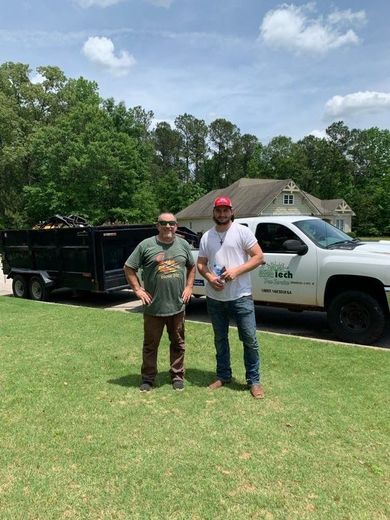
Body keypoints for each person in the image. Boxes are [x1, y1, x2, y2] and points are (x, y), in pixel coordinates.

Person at [197, 196, 265, 399]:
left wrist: (236, 271)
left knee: (249, 339)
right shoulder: (206, 237)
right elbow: (201, 264)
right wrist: (209, 277)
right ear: (214, 213)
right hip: (215, 298)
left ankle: (254, 381)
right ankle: (223, 375)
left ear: (231, 212)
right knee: (220, 339)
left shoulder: (242, 232)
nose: (222, 214)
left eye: (225, 210)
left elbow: (259, 257)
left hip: (241, 296)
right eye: (218, 210)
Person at [124, 213, 196, 392]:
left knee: (178, 343)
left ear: (176, 226)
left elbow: (192, 266)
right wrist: (138, 289)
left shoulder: (183, 244)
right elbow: (129, 267)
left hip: (177, 306)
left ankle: (177, 376)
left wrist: (189, 287)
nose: (168, 226)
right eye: (163, 223)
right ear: (158, 226)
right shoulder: (146, 245)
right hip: (154, 308)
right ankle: (148, 378)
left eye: (171, 223)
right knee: (150, 345)